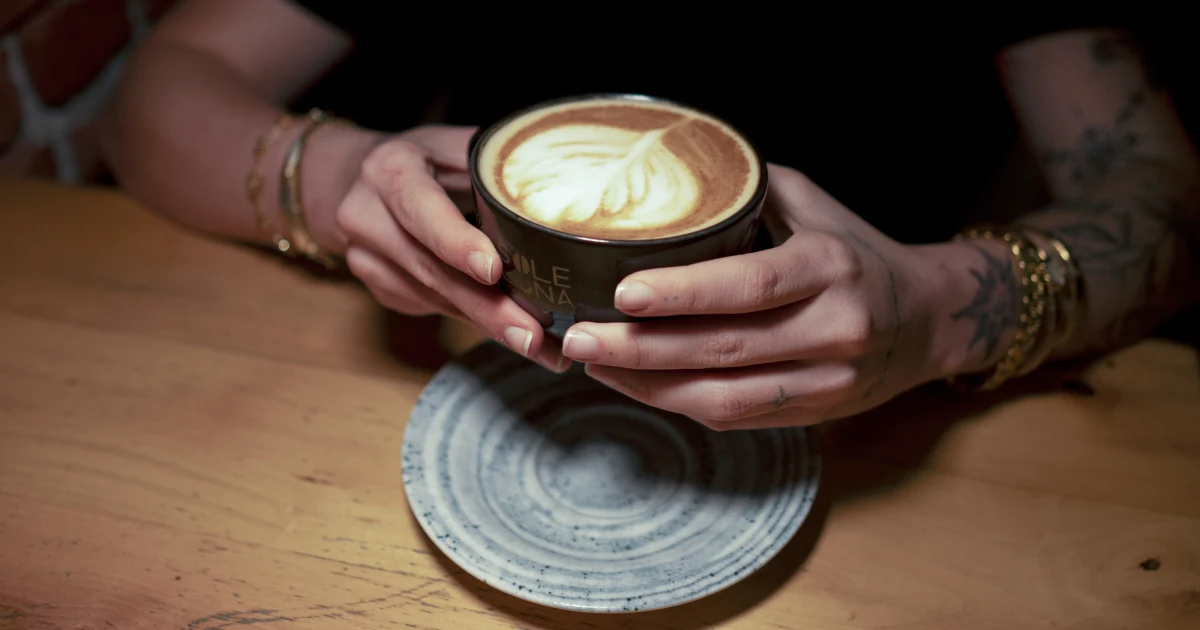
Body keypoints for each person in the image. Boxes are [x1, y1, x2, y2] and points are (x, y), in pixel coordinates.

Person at [100, 1, 1200, 430]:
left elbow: (1166, 199)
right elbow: (160, 91)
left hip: (884, 420)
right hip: (491, 393)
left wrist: (941, 311)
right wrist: (337, 180)